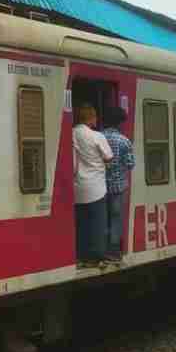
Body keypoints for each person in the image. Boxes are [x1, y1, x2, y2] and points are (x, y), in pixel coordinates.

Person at [73, 103, 112, 268]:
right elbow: (109, 156)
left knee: (82, 224)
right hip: (96, 187)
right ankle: (96, 257)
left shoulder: (72, 133)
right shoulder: (97, 136)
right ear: (91, 118)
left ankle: (81, 256)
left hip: (78, 186)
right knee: (97, 224)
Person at [100, 107, 134, 264]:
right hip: (118, 186)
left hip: (100, 185)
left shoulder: (99, 137)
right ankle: (113, 250)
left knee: (102, 217)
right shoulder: (124, 141)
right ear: (119, 122)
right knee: (116, 217)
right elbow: (130, 164)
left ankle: (101, 247)